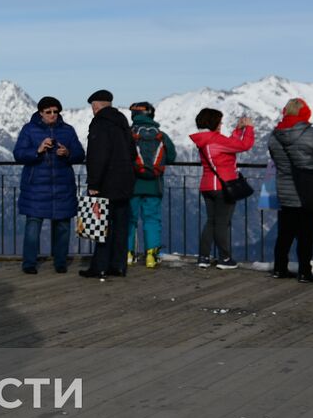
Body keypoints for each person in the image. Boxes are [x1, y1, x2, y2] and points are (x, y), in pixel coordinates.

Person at [268, 98, 313, 283]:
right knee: (306, 234)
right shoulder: (311, 133)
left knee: (285, 232)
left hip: (285, 191)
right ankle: (304, 272)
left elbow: (275, 157)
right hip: (309, 191)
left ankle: (279, 268)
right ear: (305, 113)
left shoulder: (274, 135)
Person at [12, 97, 85, 273]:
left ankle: (60, 263)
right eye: (48, 112)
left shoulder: (68, 130)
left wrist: (68, 153)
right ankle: (29, 264)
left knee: (63, 227)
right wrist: (37, 150)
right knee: (33, 227)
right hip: (36, 188)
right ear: (40, 113)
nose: (53, 115)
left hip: (62, 187)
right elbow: (18, 154)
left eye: (55, 111)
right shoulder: (29, 130)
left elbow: (80, 154)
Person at [189, 107, 254, 269]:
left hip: (207, 185)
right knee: (222, 223)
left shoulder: (204, 139)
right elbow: (244, 145)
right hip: (223, 186)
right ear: (213, 123)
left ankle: (203, 257)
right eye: (219, 122)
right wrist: (249, 128)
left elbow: (230, 145)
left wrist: (238, 130)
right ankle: (224, 258)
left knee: (211, 221)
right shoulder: (216, 139)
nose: (221, 124)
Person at [82, 90, 136, 280]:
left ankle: (100, 267)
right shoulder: (122, 122)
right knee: (121, 226)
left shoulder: (99, 123)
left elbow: (97, 155)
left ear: (96, 105)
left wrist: (94, 183)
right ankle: (118, 266)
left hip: (106, 183)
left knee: (101, 225)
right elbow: (132, 152)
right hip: (125, 183)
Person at [126, 101, 177, 268]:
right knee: (152, 220)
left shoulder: (128, 134)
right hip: (154, 185)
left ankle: (128, 254)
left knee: (130, 220)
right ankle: (151, 256)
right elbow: (171, 157)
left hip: (131, 185)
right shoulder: (161, 136)